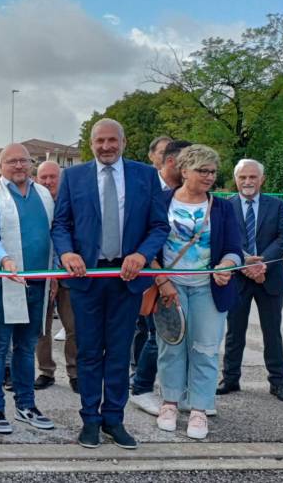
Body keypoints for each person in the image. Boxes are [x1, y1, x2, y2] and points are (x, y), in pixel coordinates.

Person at [51, 118, 169, 450]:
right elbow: (60, 224)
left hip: (126, 280)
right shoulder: (73, 177)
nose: (106, 146)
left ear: (123, 141)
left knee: (118, 353)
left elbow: (159, 226)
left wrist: (142, 256)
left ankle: (114, 419)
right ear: (91, 144)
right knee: (88, 352)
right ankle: (89, 419)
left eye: (111, 140)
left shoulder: (145, 176)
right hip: (86, 279)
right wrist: (67, 253)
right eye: (99, 141)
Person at [152, 145, 242, 440]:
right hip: (170, 286)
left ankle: (200, 409)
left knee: (204, 349)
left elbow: (233, 249)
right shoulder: (161, 201)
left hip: (208, 287)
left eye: (213, 171)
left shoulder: (223, 207)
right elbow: (145, 244)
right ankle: (169, 403)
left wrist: (227, 265)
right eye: (202, 170)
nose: (209, 176)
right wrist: (161, 278)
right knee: (171, 346)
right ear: (184, 170)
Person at [0, 143, 56, 434]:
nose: (19, 166)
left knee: (26, 346)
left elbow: (52, 233)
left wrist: (58, 269)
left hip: (38, 281)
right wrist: (5, 259)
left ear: (31, 164)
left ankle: (26, 404)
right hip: (3, 281)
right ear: (0, 166)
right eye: (12, 161)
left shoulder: (44, 194)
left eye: (24, 161)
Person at [218, 158, 283, 403]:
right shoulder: (225, 206)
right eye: (243, 177)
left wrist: (263, 263)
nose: (248, 181)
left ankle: (278, 382)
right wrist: (246, 264)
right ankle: (230, 378)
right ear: (236, 179)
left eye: (252, 177)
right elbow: (224, 240)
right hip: (238, 278)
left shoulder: (277, 205)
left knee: (272, 332)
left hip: (269, 278)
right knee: (234, 332)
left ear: (262, 179)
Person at [129, 139, 190, 417]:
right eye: (188, 163)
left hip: (182, 278)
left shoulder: (185, 195)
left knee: (167, 336)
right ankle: (141, 388)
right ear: (171, 162)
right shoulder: (146, 187)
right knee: (156, 335)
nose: (194, 170)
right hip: (150, 274)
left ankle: (172, 391)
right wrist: (158, 275)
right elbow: (139, 234)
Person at [33, 160, 78, 394]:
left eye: (53, 177)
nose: (49, 181)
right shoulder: (35, 203)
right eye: (44, 178)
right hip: (43, 273)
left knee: (73, 327)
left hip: (68, 274)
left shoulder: (72, 202)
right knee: (43, 327)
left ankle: (74, 372)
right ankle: (46, 371)